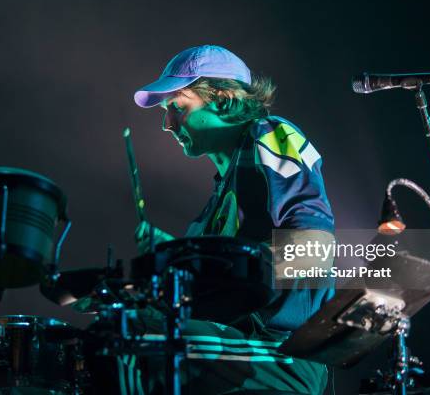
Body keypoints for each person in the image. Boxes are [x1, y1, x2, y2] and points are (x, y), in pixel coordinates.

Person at [130, 45, 335, 394]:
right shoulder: (214, 205)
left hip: (283, 349)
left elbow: (315, 242)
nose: (167, 124)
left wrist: (229, 270)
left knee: (142, 339)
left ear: (222, 99)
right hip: (243, 343)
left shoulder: (270, 132)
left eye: (177, 107)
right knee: (125, 325)